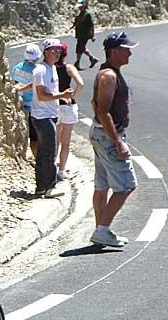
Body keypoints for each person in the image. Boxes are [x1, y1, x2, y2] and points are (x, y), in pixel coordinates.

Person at [88, 32, 138, 248]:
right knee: (126, 186)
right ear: (114, 51)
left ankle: (101, 229)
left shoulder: (107, 72)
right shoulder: (109, 75)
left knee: (102, 185)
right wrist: (118, 142)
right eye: (126, 49)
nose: (130, 52)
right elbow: (103, 111)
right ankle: (102, 230)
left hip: (101, 135)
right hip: (109, 136)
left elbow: (93, 105)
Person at [31, 39, 74, 197]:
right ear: (46, 52)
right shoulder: (41, 70)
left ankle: (41, 187)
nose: (57, 52)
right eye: (53, 50)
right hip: (43, 116)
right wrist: (62, 95)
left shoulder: (52, 68)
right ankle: (50, 187)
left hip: (50, 115)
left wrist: (61, 98)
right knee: (50, 151)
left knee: (44, 152)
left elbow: (45, 89)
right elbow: (42, 95)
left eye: (59, 50)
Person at [55, 43, 84, 180]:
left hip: (54, 104)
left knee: (55, 140)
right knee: (65, 142)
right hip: (68, 106)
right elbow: (80, 83)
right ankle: (62, 170)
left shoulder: (51, 68)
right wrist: (73, 97)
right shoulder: (69, 68)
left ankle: (52, 167)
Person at [10, 44, 42, 159]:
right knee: (35, 138)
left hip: (20, 106)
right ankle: (37, 159)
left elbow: (13, 83)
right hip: (34, 108)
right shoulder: (37, 71)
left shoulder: (17, 67)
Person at [71, 1, 99, 70]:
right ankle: (92, 59)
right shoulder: (79, 15)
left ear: (84, 6)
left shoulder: (87, 15)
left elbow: (91, 26)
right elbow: (76, 23)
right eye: (79, 7)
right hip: (79, 35)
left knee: (79, 48)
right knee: (81, 48)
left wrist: (92, 36)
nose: (80, 8)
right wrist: (71, 27)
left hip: (85, 35)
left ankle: (77, 63)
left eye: (81, 6)